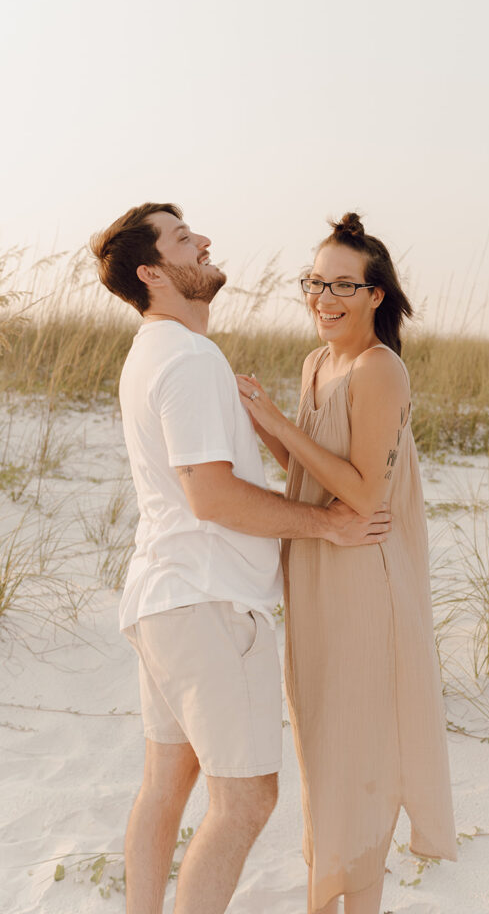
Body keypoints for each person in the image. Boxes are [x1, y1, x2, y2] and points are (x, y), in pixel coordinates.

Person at [89, 203, 391, 914]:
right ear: (152, 272)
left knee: (166, 783)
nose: (204, 242)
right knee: (246, 799)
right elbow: (213, 497)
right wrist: (328, 525)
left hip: (166, 598)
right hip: (208, 602)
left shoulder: (152, 351)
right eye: (183, 238)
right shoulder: (188, 357)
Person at [236, 212, 457, 914]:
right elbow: (313, 477)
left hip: (363, 575)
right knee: (321, 743)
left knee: (357, 749)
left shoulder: (378, 368)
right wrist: (266, 428)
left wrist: (274, 421)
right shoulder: (315, 363)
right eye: (313, 281)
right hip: (317, 569)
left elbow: (362, 495)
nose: (321, 297)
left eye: (340, 285)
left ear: (375, 295)